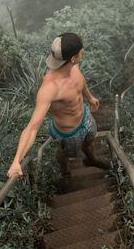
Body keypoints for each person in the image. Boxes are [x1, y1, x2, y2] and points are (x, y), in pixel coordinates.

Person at [7, 32, 109, 178]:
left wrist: (90, 98)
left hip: (85, 116)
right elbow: (32, 128)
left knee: (90, 140)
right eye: (81, 52)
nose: (83, 52)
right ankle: (65, 170)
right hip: (68, 133)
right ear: (73, 58)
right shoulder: (50, 88)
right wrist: (17, 161)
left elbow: (81, 83)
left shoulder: (74, 66)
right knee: (63, 153)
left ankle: (92, 159)